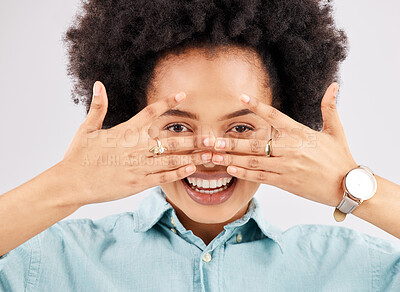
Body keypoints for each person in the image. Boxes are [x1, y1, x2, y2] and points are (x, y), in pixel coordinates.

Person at [1, 0, 399, 291]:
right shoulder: (49, 260)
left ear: (285, 128)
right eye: (177, 126)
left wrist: (350, 185)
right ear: (129, 123)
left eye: (241, 128)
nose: (210, 155)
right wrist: (67, 185)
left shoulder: (352, 267)